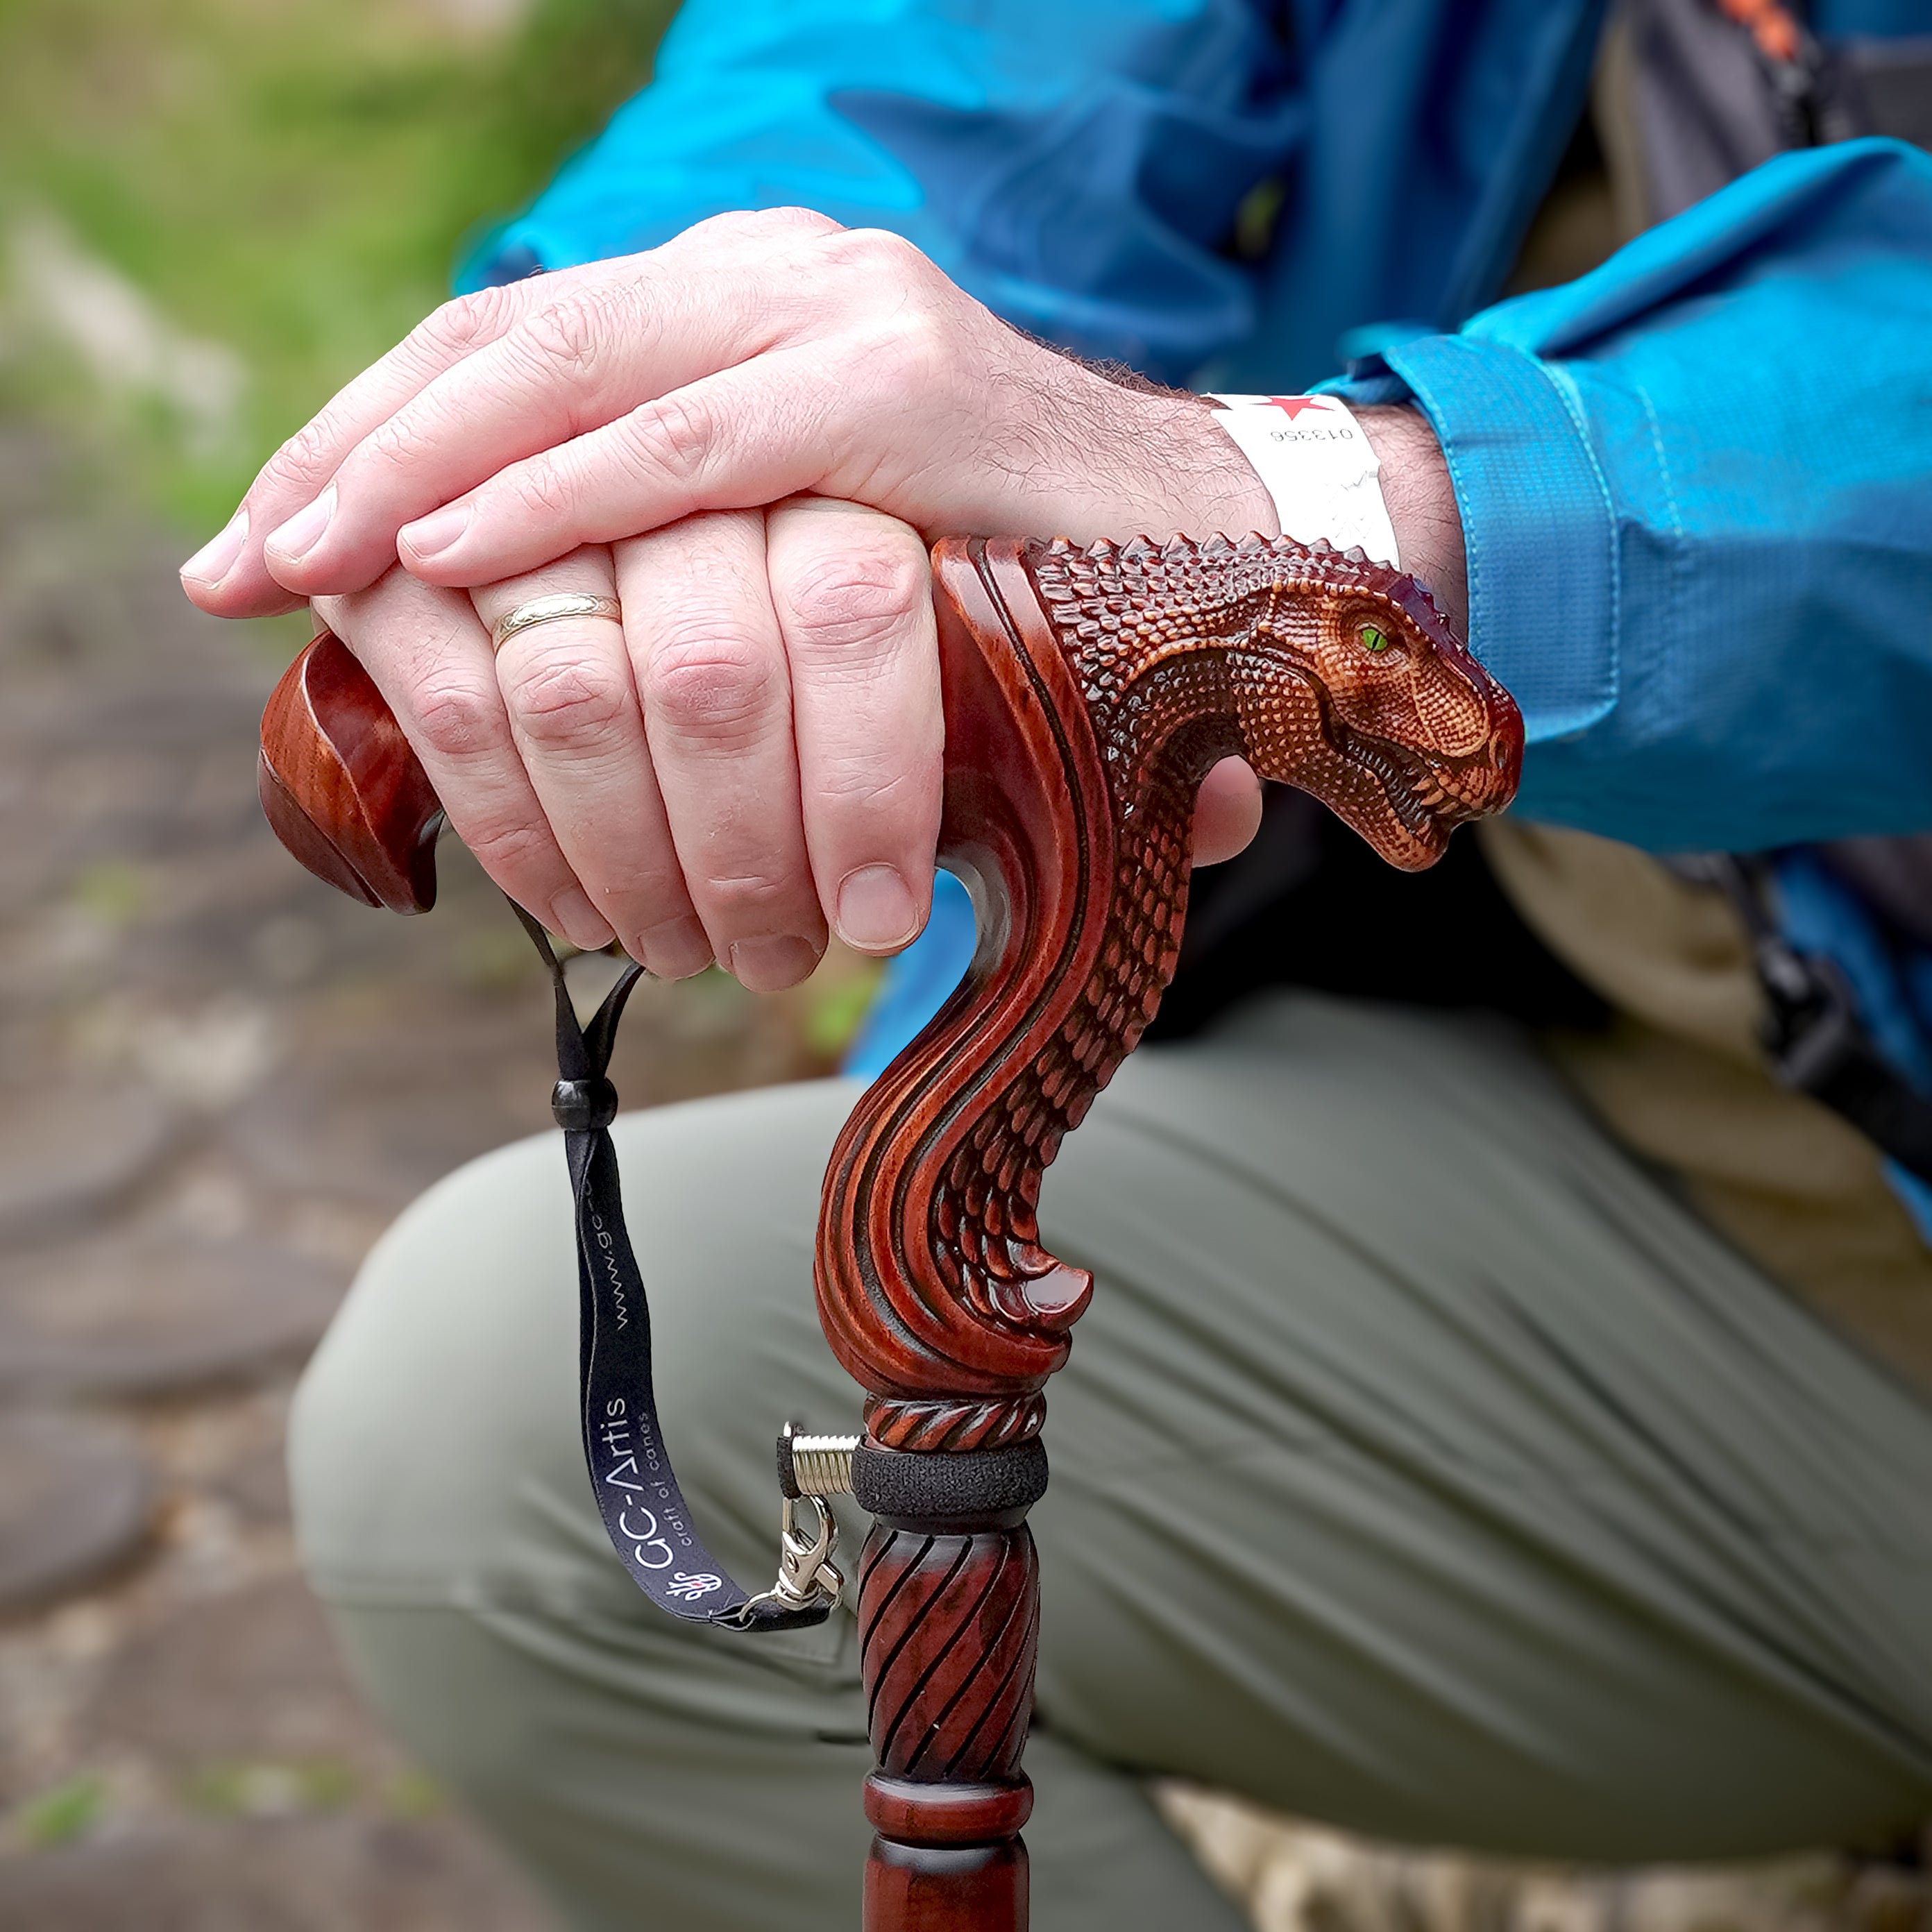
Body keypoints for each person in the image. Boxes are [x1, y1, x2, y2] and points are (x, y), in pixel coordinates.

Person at [180, 3, 1932, 1927]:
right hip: (1609, 1141)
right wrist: (650, 432)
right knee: (485, 1427)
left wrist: (1323, 511)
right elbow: (954, 59)